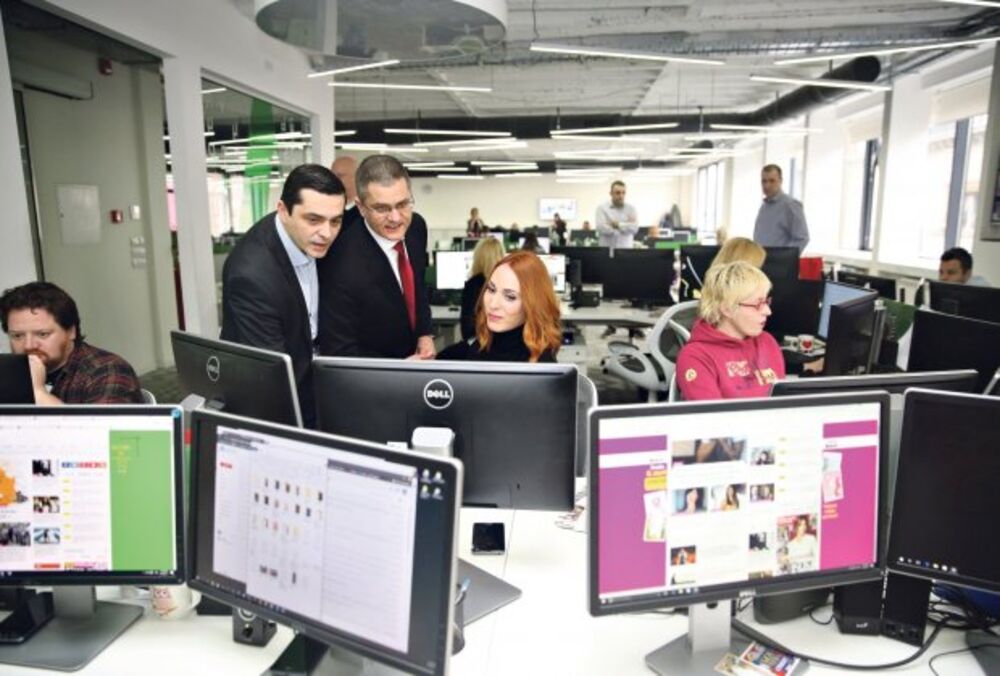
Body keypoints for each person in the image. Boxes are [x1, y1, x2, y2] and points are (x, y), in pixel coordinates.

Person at [221, 164, 345, 428]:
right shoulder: (252, 276)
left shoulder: (309, 237)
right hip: (274, 403)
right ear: (283, 210)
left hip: (315, 378)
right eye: (313, 220)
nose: (327, 233)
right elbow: (273, 379)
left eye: (335, 221)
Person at [319, 154, 435, 360]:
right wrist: (397, 369)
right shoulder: (339, 262)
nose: (396, 218)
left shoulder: (416, 227)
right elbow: (339, 350)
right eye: (382, 208)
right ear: (361, 207)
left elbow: (417, 285)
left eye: (403, 204)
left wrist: (424, 333)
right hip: (372, 373)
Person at [1, 281, 142, 404]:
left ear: (71, 332)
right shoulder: (8, 372)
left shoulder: (107, 369)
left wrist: (38, 392)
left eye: (43, 334)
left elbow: (97, 427)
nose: (28, 345)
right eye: (17, 336)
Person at [676, 261, 786, 400]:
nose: (768, 311)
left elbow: (781, 402)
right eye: (758, 304)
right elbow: (712, 413)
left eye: (766, 301)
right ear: (727, 309)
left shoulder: (767, 342)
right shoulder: (696, 356)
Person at [437, 251, 561, 363]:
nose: (493, 304)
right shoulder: (480, 344)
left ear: (533, 304)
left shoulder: (541, 365)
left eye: (510, 297)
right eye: (491, 289)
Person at [753, 164, 809, 252]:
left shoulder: (790, 205)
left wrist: (784, 257)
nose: (767, 186)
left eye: (772, 181)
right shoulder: (764, 206)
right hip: (760, 258)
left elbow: (802, 238)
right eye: (764, 181)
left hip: (779, 259)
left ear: (780, 181)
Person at [460, 238, 506, 340]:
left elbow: (466, 329)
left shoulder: (473, 284)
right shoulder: (510, 282)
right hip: (506, 342)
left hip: (481, 342)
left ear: (478, 258)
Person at [595, 180, 639, 250]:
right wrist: (626, 226)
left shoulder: (631, 209)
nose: (621, 196)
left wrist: (618, 225)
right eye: (618, 193)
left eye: (623, 193)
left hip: (626, 250)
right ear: (611, 193)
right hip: (607, 250)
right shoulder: (602, 208)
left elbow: (634, 229)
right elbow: (601, 228)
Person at [330, 155, 360, 230]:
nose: (333, 179)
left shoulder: (366, 213)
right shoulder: (326, 208)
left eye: (340, 175)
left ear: (356, 177)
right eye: (331, 175)